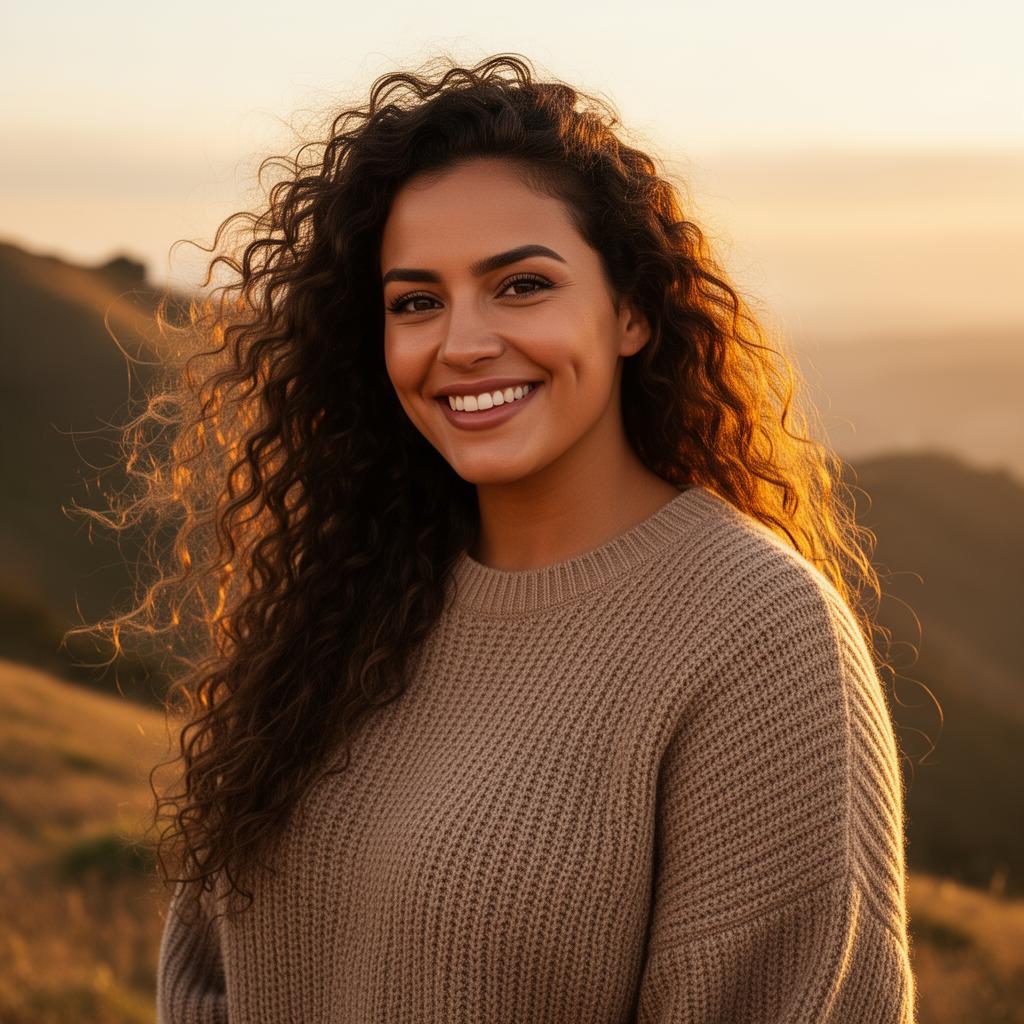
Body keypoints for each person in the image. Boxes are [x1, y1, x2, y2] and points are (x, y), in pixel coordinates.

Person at [88, 52, 917, 1022]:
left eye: (520, 285)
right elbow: (204, 977)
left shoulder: (756, 634)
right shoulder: (345, 603)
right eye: (415, 302)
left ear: (631, 311)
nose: (463, 341)